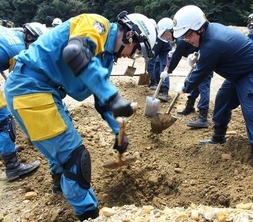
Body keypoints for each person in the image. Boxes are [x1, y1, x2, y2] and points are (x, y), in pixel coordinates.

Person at [4, 12, 156, 220]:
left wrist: (118, 132)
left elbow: (101, 101)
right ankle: (89, 214)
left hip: (46, 92)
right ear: (130, 34)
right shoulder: (96, 25)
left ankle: (60, 188)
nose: (131, 56)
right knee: (76, 159)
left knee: (63, 152)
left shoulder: (106, 57)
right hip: (31, 88)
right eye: (136, 50)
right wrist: (114, 97)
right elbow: (75, 52)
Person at [173, 5, 253, 175]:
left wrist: (185, 86)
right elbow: (204, 53)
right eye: (184, 36)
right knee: (222, 101)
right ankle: (218, 137)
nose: (187, 39)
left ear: (200, 28)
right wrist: (198, 54)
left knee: (252, 111)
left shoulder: (213, 43)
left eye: (188, 35)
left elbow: (200, 73)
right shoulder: (209, 34)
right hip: (238, 73)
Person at [0, 22, 47, 181]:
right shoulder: (18, 49)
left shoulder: (8, 33)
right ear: (29, 36)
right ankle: (12, 166)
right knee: (5, 120)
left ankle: (5, 150)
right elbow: (17, 85)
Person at [157, 17, 212, 128]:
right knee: (195, 82)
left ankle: (203, 116)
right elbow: (180, 51)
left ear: (170, 31)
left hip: (206, 60)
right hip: (198, 60)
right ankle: (190, 106)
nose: (166, 39)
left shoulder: (181, 39)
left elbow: (177, 57)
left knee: (203, 85)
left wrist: (168, 71)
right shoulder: (181, 39)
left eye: (165, 35)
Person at [147, 19, 173, 102]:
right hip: (155, 49)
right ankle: (156, 83)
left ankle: (165, 91)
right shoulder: (151, 33)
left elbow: (156, 49)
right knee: (153, 67)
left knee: (164, 69)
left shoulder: (163, 33)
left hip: (165, 50)